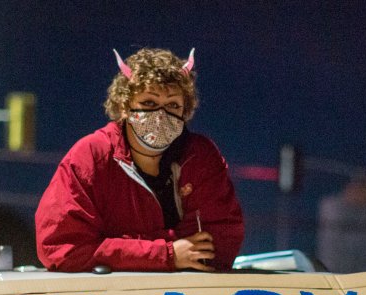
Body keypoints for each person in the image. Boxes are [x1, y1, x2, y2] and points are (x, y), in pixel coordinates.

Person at [36, 48, 244, 272]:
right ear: (125, 106)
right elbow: (62, 248)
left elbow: (219, 246)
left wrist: (119, 247)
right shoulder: (91, 156)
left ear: (186, 110)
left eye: (173, 105)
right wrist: (167, 253)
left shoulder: (201, 157)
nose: (161, 115)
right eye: (149, 103)